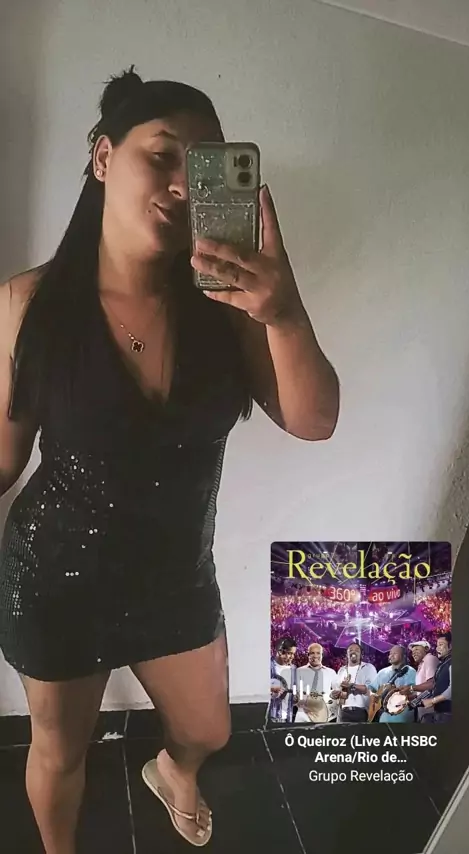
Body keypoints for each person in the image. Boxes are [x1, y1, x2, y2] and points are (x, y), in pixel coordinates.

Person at [0, 67, 340, 852]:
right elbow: (6, 459)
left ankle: (172, 771)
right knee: (60, 752)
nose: (184, 184)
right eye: (163, 155)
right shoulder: (27, 305)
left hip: (175, 574)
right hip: (57, 575)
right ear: (104, 157)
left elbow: (315, 420)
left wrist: (284, 311)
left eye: (205, 166)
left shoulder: (231, 305)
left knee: (209, 728)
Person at [368, 645, 416, 724]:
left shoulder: (410, 671)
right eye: (390, 654)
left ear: (403, 656)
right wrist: (372, 695)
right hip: (383, 717)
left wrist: (395, 692)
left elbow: (414, 692)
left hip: (402, 716)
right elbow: (371, 688)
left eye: (395, 653)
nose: (391, 656)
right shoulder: (382, 672)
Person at [331, 643, 377, 723]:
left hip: (362, 711)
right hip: (343, 712)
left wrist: (352, 685)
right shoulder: (341, 670)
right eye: (351, 650)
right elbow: (337, 689)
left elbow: (371, 689)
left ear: (361, 654)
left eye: (357, 650)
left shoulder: (369, 668)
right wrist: (334, 694)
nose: (353, 652)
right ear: (347, 654)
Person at [398, 639, 439, 721]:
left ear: (426, 649)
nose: (413, 653)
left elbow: (432, 684)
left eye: (417, 649)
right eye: (412, 651)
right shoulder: (421, 665)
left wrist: (411, 688)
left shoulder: (430, 659)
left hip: (432, 712)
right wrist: (407, 698)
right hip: (424, 713)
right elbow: (425, 692)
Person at [295, 642, 337, 723]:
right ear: (308, 655)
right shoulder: (299, 671)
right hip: (303, 714)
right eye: (312, 653)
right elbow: (296, 693)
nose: (315, 656)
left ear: (322, 655)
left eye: (318, 653)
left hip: (322, 715)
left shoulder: (331, 672)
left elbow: (336, 693)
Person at [420, 632, 452, 723]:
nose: (437, 648)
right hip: (440, 713)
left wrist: (432, 701)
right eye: (437, 645)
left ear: (451, 646)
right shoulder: (442, 664)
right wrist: (416, 699)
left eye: (441, 645)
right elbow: (434, 687)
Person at [270, 637, 297, 723]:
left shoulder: (293, 669)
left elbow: (294, 691)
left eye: (293, 654)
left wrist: (296, 697)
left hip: (287, 717)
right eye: (289, 653)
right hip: (270, 717)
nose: (292, 657)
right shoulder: (267, 666)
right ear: (280, 652)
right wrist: (271, 689)